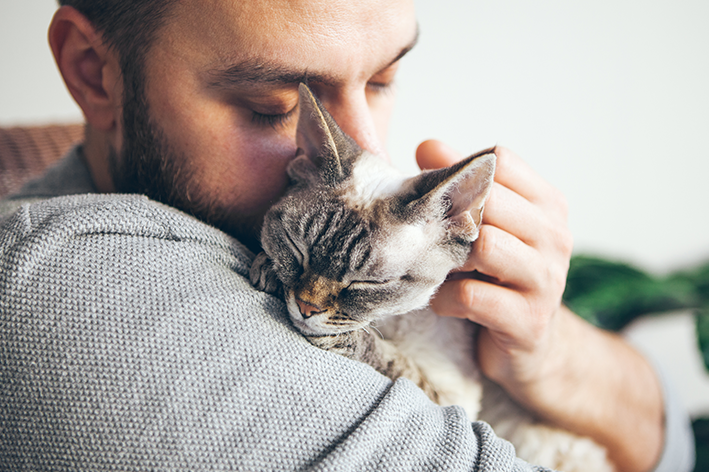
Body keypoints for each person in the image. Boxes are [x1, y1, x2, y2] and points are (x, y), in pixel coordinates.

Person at [0, 0, 694, 470]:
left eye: (385, 77)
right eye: (275, 106)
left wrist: (550, 355)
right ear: (95, 73)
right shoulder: (75, 291)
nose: (366, 150)